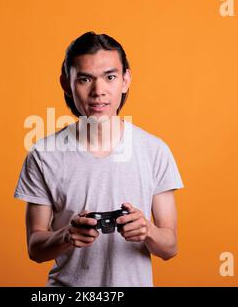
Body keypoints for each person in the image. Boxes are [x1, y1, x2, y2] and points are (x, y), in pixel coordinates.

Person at [14, 31, 184, 286]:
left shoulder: (154, 150)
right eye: (85, 79)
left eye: (110, 77)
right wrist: (66, 235)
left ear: (126, 80)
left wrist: (147, 230)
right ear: (66, 84)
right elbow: (35, 249)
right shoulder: (43, 155)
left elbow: (169, 247)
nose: (98, 91)